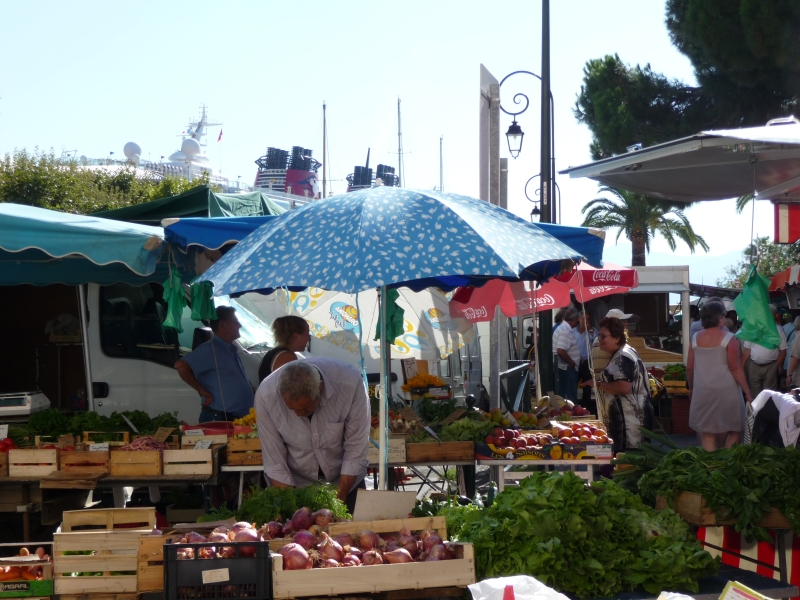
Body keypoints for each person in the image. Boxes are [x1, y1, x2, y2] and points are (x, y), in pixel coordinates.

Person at [255, 357, 370, 513]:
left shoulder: (350, 383)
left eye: (305, 409)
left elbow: (356, 448)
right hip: (296, 486)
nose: (297, 414)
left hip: (345, 483)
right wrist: (295, 513)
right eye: (291, 409)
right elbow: (275, 462)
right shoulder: (266, 396)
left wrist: (338, 502)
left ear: (320, 388)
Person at [686, 300, 752, 451]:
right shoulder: (730, 338)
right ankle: (727, 463)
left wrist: (691, 387)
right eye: (723, 315)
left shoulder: (695, 339)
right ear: (718, 317)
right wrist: (747, 392)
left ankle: (710, 467)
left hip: (703, 390)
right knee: (735, 429)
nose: (725, 318)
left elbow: (689, 368)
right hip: (726, 390)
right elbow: (735, 367)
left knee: (708, 432)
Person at [582, 316, 653, 453]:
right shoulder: (624, 352)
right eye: (599, 336)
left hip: (630, 425)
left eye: (603, 336)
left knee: (629, 464)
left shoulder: (622, 357)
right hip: (630, 421)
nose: (600, 339)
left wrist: (598, 384)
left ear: (616, 338)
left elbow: (623, 387)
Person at [174, 306, 254, 423]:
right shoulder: (209, 350)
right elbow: (180, 366)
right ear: (222, 325)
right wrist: (200, 389)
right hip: (219, 418)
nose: (239, 326)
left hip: (236, 419)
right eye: (235, 322)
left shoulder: (230, 349)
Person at [742, 304, 787, 397]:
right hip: (754, 366)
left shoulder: (778, 329)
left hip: (770, 366)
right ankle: (756, 412)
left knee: (769, 396)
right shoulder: (754, 329)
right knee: (755, 395)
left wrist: (775, 366)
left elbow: (783, 351)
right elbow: (747, 350)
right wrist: (742, 367)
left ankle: (766, 411)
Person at [258, 316, 311, 381]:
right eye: (307, 334)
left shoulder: (270, 354)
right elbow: (293, 388)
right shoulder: (287, 357)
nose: (309, 339)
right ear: (296, 336)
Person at [590, 308, 632, 373]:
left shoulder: (598, 339)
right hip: (610, 381)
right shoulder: (610, 340)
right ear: (616, 323)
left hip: (599, 381)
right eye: (624, 321)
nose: (627, 324)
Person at [553, 308, 581, 400]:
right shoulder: (565, 330)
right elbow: (561, 350)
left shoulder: (565, 328)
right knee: (569, 398)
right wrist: (571, 363)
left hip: (567, 369)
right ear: (575, 319)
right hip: (567, 369)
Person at [574, 311, 596, 411]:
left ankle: (586, 408)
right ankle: (573, 407)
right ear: (579, 319)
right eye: (583, 319)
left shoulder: (593, 331)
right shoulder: (572, 331)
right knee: (574, 384)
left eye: (587, 319)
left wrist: (590, 329)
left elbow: (596, 343)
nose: (585, 321)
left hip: (588, 362)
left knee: (587, 387)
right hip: (576, 361)